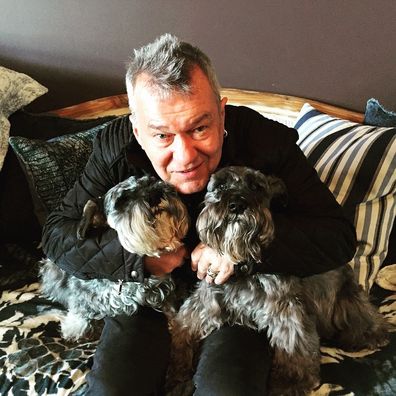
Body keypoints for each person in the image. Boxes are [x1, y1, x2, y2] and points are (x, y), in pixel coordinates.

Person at [42, 34, 357, 395]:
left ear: (221, 113)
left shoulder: (266, 142)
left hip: (235, 300)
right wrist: (138, 260)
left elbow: (337, 237)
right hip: (149, 300)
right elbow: (57, 236)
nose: (186, 156)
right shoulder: (114, 147)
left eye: (199, 128)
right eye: (162, 135)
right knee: (115, 387)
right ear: (137, 131)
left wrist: (238, 250)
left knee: (228, 388)